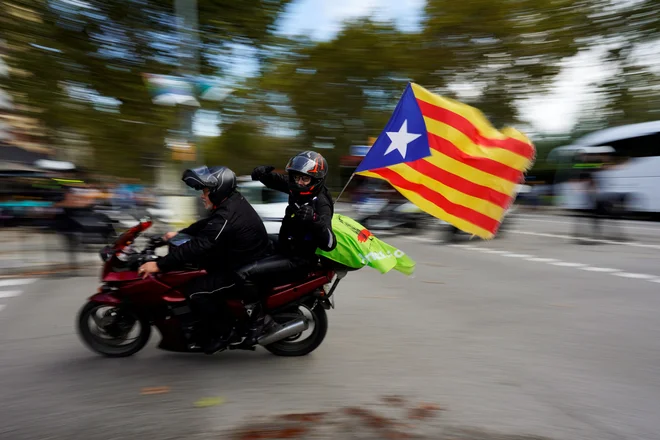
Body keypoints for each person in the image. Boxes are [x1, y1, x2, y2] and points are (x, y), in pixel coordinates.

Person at [138, 165, 271, 354]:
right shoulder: (230, 202)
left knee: (195, 291)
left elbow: (199, 244)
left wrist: (159, 265)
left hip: (242, 268)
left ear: (218, 191)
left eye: (206, 191)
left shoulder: (226, 216)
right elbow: (207, 225)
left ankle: (224, 334)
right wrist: (179, 233)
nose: (202, 195)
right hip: (238, 258)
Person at [251, 151, 336, 259]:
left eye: (305, 178)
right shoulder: (296, 187)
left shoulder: (321, 202)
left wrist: (314, 219)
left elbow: (330, 243)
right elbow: (278, 181)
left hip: (300, 259)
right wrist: (262, 175)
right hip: (286, 245)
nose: (299, 182)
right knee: (254, 241)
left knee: (247, 272)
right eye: (296, 177)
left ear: (316, 180)